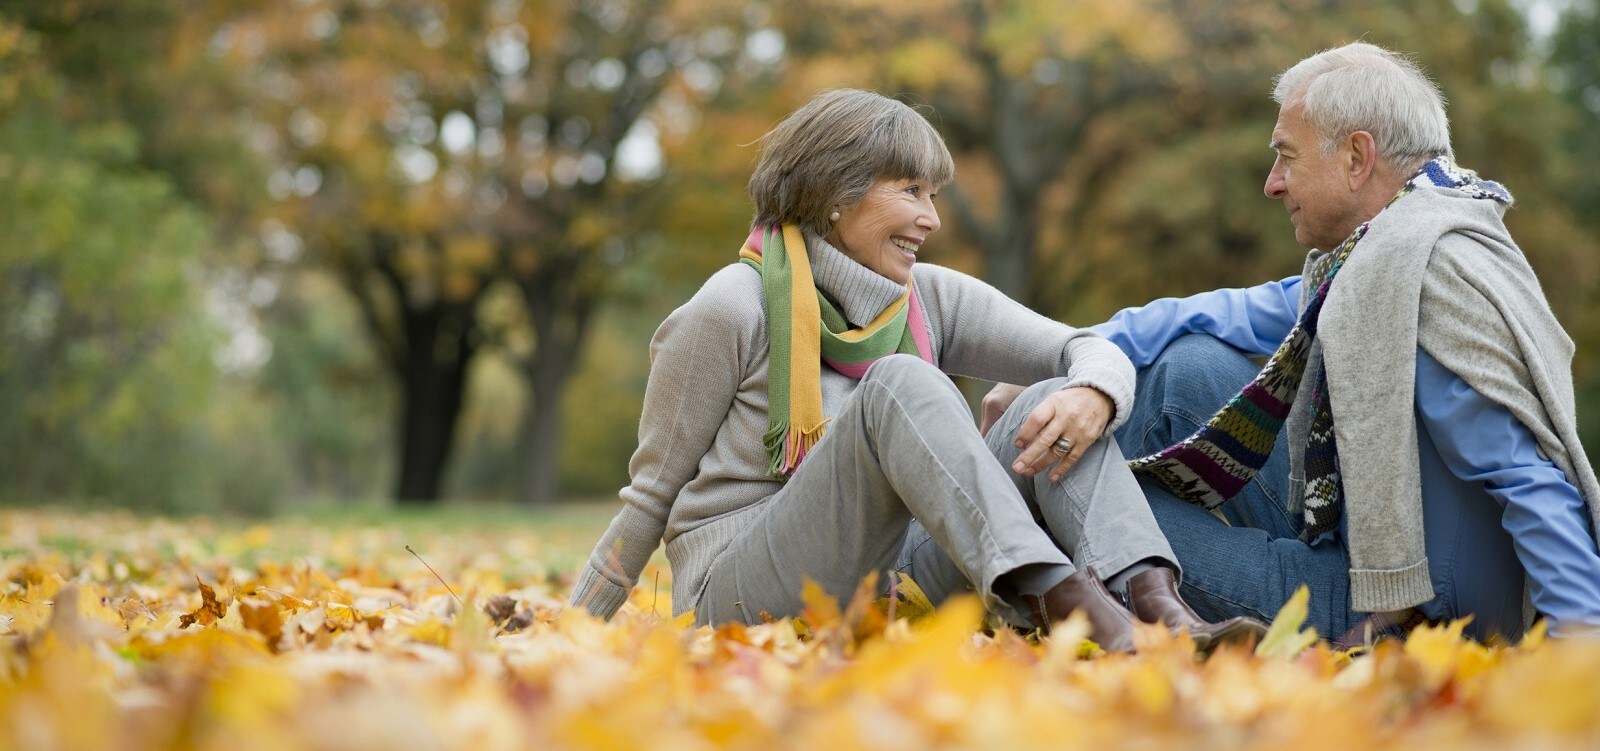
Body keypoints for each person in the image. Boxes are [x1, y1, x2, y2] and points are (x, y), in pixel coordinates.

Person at [567, 88, 1265, 651]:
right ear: (833, 193)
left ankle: (1156, 607)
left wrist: (1091, 393)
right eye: (910, 190)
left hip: (895, 576)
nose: (930, 218)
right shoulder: (730, 307)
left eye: (933, 194)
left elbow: (1092, 343)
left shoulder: (926, 296)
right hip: (743, 591)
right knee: (900, 383)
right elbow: (651, 491)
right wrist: (570, 629)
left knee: (1047, 398)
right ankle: (1076, 608)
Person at [986, 42, 1600, 644]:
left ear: (1358, 156)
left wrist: (1580, 652)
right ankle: (996, 550)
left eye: (1287, 156)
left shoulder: (1426, 282)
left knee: (1071, 470)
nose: (1272, 184)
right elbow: (1223, 312)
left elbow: (1526, 476)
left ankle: (963, 580)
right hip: (1349, 549)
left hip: (1406, 617)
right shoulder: (1373, 266)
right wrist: (1070, 361)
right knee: (1186, 364)